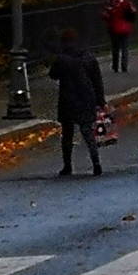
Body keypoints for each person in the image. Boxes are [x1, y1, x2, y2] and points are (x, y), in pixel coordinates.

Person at [48, 28, 106, 177]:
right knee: (87, 132)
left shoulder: (62, 59)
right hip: (87, 97)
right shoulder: (88, 56)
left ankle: (67, 166)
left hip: (68, 99)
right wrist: (101, 100)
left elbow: (53, 75)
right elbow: (97, 80)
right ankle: (96, 163)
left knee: (67, 133)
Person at [102, 0, 137, 74]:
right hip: (125, 27)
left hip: (113, 27)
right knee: (125, 48)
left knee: (115, 48)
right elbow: (133, 12)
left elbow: (105, 15)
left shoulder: (111, 2)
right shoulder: (126, 1)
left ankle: (115, 66)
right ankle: (124, 66)